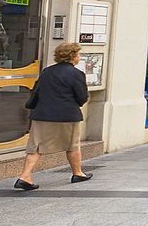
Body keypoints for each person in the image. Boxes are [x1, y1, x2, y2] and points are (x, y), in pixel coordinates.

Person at [15, 42, 92, 191]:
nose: (79, 57)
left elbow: (36, 91)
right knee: (72, 145)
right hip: (67, 115)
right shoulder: (76, 74)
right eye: (78, 55)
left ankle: (25, 176)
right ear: (73, 56)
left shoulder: (47, 71)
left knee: (36, 147)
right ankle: (77, 173)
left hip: (42, 114)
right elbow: (82, 97)